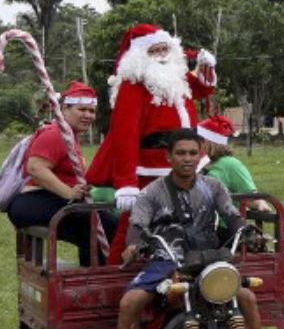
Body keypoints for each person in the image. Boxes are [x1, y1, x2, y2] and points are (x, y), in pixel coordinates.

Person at [114, 129, 277, 329]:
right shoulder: (151, 193)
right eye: (180, 153)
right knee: (129, 304)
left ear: (200, 154)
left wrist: (246, 231)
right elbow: (136, 227)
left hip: (208, 260)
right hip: (166, 260)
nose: (187, 159)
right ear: (169, 157)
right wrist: (133, 245)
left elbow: (231, 216)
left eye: (192, 153)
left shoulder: (213, 187)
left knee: (248, 300)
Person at [86, 23, 217, 259]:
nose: (161, 55)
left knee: (188, 221)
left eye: (164, 49)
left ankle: (186, 267)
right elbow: (124, 135)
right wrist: (126, 182)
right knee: (136, 225)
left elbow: (201, 89)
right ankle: (116, 276)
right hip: (150, 168)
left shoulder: (177, 78)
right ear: (138, 55)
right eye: (154, 51)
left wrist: (205, 67)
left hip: (186, 162)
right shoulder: (132, 86)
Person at [5, 81, 115, 263]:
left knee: (97, 226)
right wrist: (69, 192)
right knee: (105, 223)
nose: (88, 115)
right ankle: (97, 279)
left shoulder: (71, 135)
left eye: (92, 111)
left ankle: (91, 276)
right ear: (64, 109)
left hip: (50, 201)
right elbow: (35, 168)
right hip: (34, 202)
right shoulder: (56, 134)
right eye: (82, 110)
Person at [197, 115, 256, 194]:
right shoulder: (201, 162)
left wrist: (261, 204)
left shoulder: (230, 164)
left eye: (199, 139)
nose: (195, 143)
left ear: (210, 142)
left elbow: (253, 197)